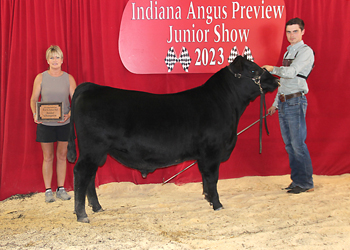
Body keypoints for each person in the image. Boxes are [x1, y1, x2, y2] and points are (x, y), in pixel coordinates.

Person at [263, 18, 314, 194]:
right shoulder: (288, 53)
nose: (291, 35)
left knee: (298, 144)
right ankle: (297, 180)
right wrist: (275, 104)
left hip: (296, 101)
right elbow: (284, 82)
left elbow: (291, 73)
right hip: (285, 102)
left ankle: (306, 182)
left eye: (295, 31)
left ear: (302, 32)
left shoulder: (305, 52)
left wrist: (272, 69)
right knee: (290, 145)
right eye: (289, 32)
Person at [30, 45, 76, 202]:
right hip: (45, 124)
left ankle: (61, 188)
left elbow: (75, 101)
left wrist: (69, 114)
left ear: (62, 60)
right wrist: (35, 113)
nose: (55, 60)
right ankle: (48, 190)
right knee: (48, 156)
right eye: (52, 57)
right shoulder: (40, 77)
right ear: (47, 60)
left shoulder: (69, 78)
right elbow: (34, 99)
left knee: (62, 156)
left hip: (64, 123)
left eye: (57, 57)